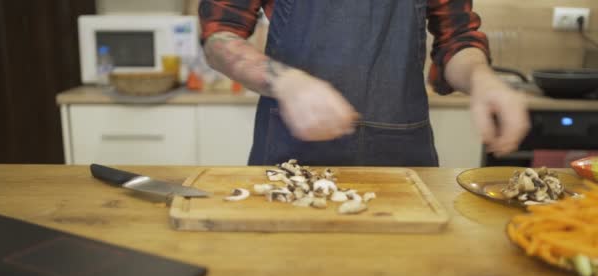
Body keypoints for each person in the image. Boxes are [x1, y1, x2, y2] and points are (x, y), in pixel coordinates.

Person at [199, 0, 529, 166]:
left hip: (403, 161)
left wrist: (483, 79)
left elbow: (456, 38)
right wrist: (287, 83)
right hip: (292, 155)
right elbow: (218, 38)